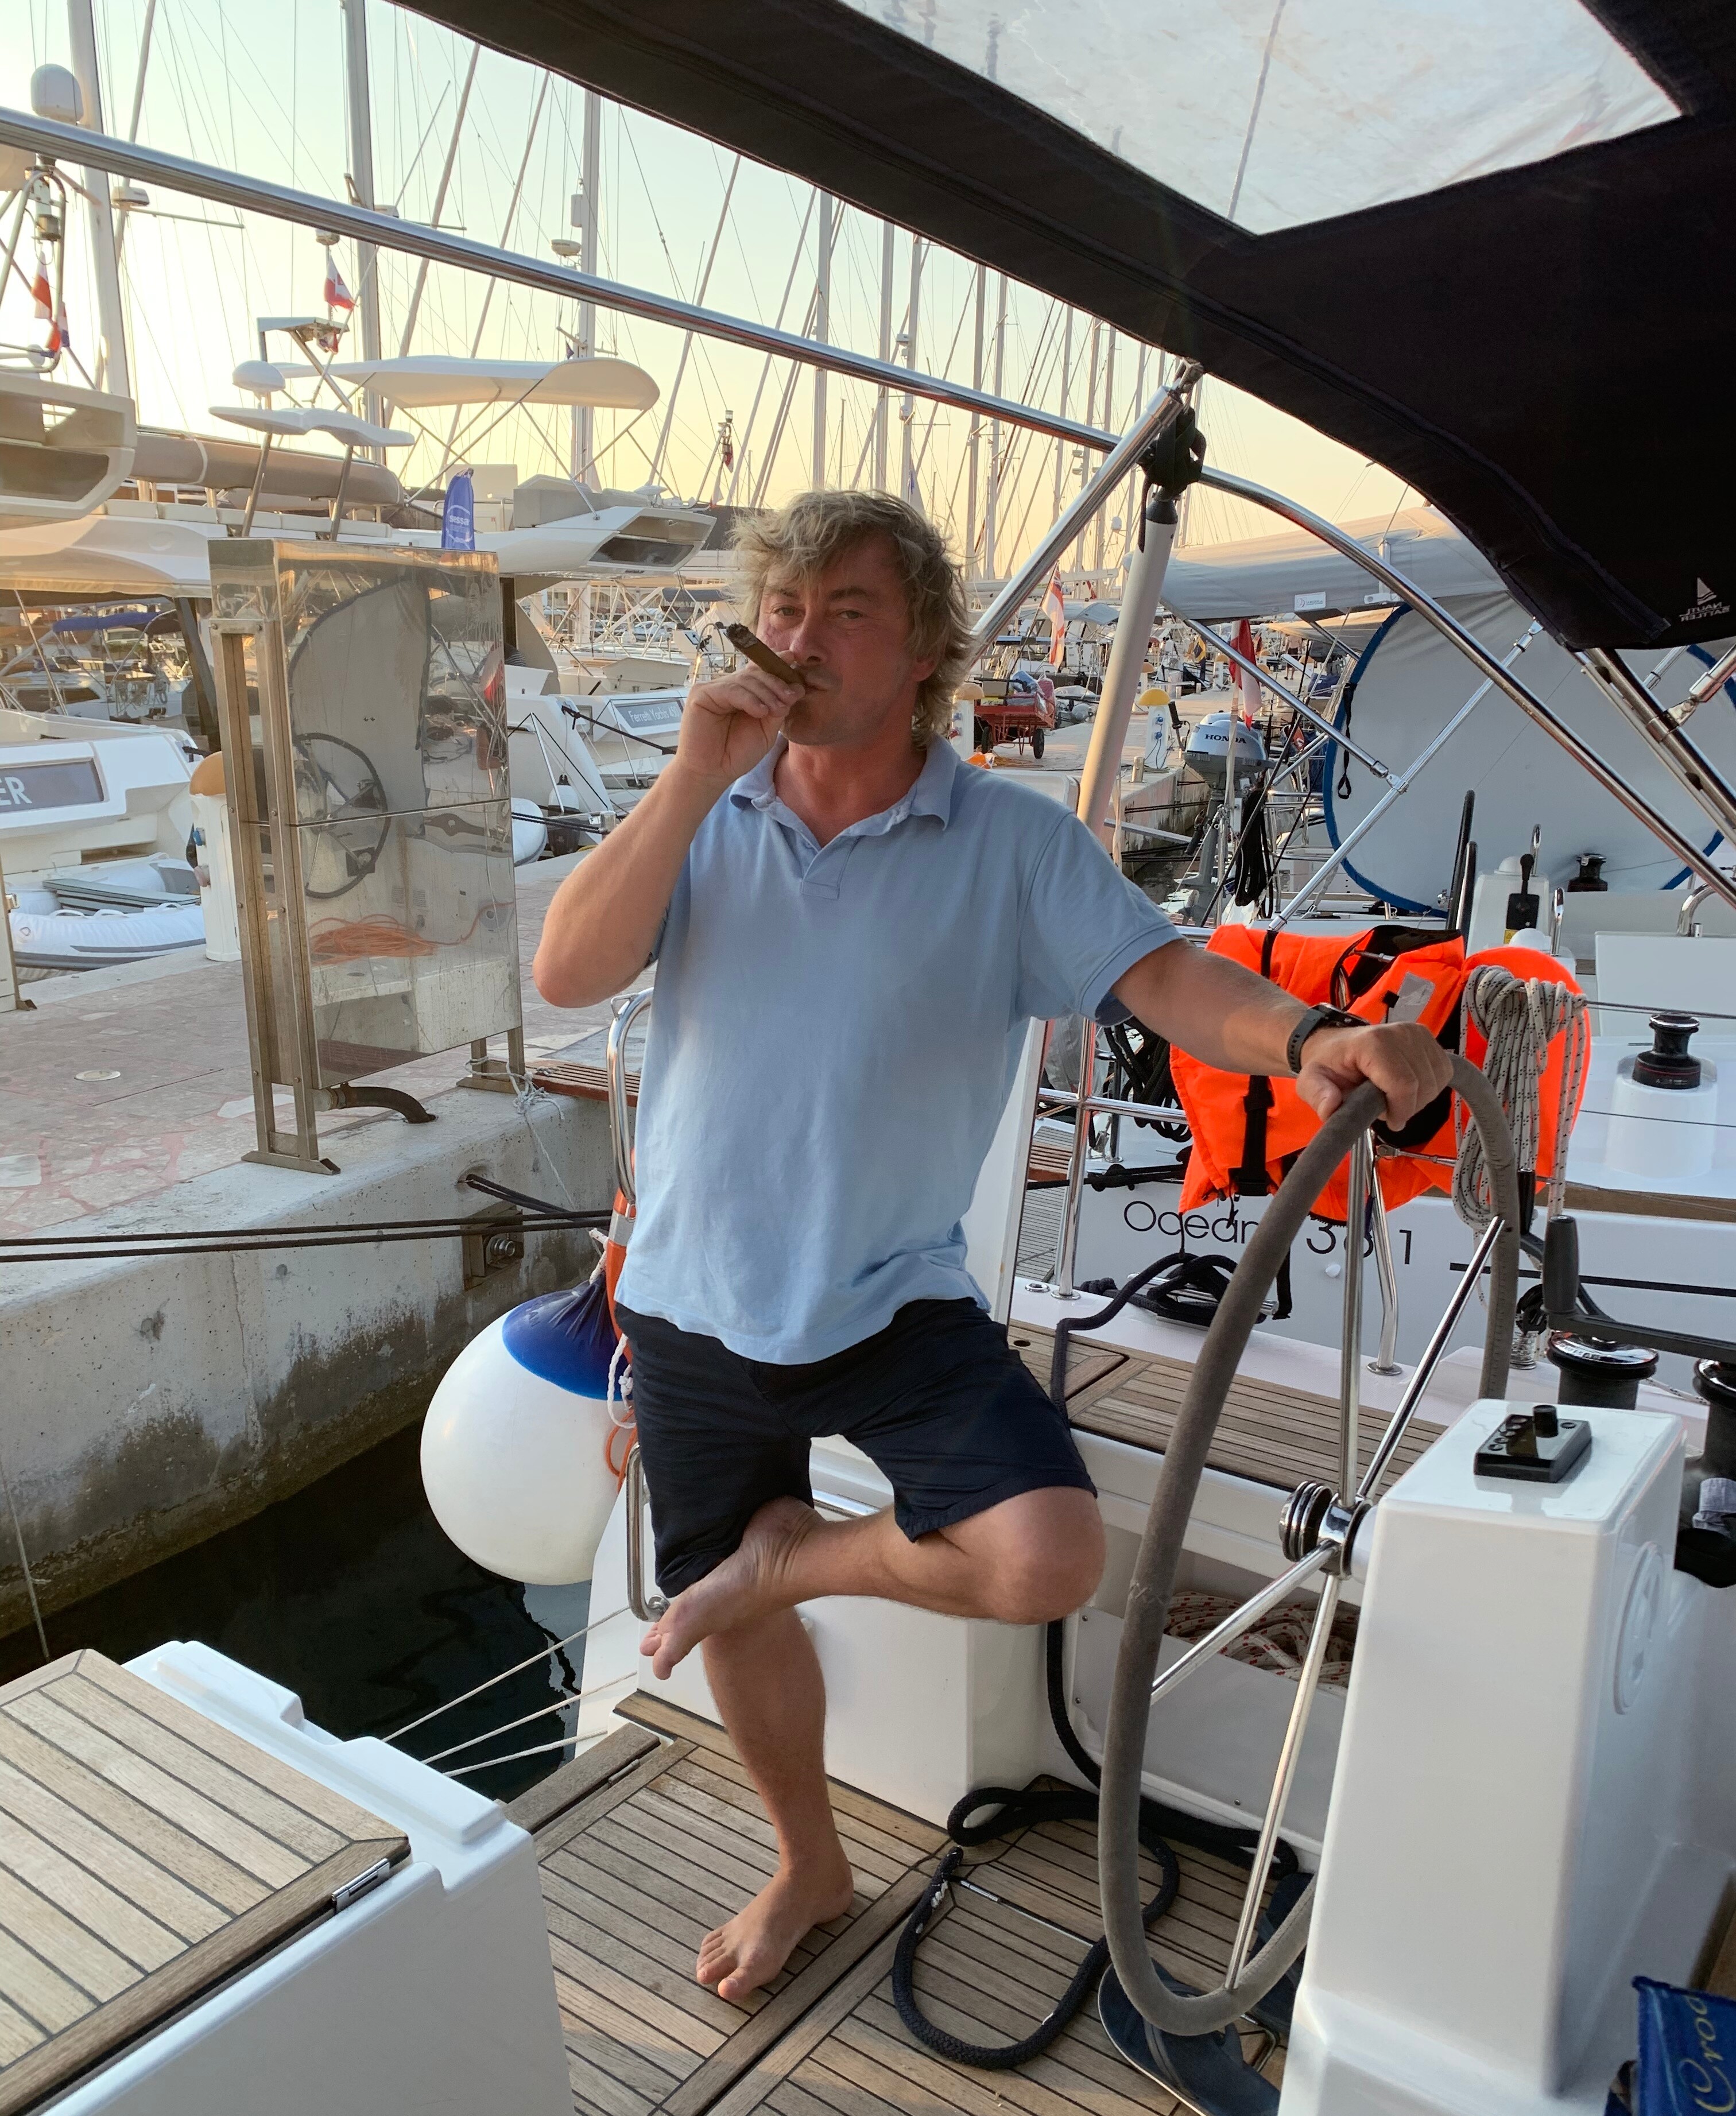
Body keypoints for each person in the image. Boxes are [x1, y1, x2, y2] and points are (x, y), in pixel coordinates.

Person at [532, 491, 1449, 2004]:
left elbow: (1165, 978)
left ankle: (782, 1563)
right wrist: (693, 777)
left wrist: (1308, 1038)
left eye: (847, 612)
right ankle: (808, 1861)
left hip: (892, 1296)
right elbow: (568, 971)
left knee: (1043, 1555)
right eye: (785, 609)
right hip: (692, 1298)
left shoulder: (1010, 842)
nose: (801, 640)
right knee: (735, 1616)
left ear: (927, 653)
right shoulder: (705, 814)